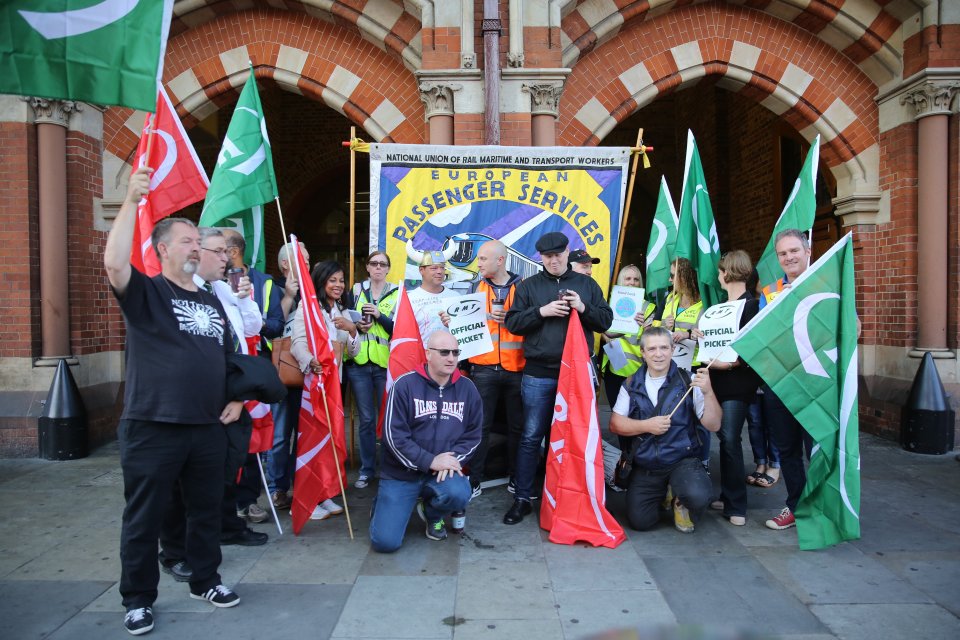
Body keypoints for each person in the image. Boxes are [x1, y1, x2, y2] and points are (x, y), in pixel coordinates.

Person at [104, 167, 242, 635]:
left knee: (206, 511)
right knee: (144, 517)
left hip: (205, 428)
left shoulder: (210, 301)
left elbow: (229, 359)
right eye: (187, 240)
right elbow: (114, 264)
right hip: (153, 426)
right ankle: (138, 598)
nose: (196, 248)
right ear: (163, 248)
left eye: (197, 242)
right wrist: (129, 202)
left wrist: (237, 400)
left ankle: (205, 579)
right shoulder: (147, 292)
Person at [158, 228, 267, 583]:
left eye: (227, 252)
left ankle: (223, 526)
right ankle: (174, 551)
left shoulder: (221, 290)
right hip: (192, 406)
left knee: (222, 474)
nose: (227, 258)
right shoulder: (175, 294)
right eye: (219, 252)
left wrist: (246, 297)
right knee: (180, 485)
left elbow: (252, 327)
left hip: (230, 398)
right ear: (196, 252)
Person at [501, 232, 613, 525]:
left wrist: (584, 308)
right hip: (539, 372)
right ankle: (523, 498)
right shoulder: (528, 286)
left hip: (576, 373)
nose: (553, 261)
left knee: (570, 437)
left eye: (558, 255)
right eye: (547, 257)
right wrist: (542, 311)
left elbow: (605, 320)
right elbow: (513, 323)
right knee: (530, 436)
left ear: (567, 253)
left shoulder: (586, 284)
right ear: (541, 257)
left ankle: (565, 495)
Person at [369, 330, 482, 552]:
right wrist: (430, 461)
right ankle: (384, 504)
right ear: (428, 354)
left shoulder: (468, 388)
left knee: (459, 493)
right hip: (401, 473)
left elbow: (473, 434)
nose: (451, 358)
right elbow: (393, 436)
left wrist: (451, 460)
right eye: (444, 352)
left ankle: (433, 513)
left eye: (455, 352)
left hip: (442, 473)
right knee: (385, 544)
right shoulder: (404, 385)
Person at [609, 327, 722, 533]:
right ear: (642, 352)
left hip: (682, 460)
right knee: (640, 522)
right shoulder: (630, 383)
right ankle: (666, 492)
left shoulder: (689, 381)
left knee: (698, 495)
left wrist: (708, 392)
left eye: (664, 347)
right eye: (652, 349)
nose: (658, 354)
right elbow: (615, 424)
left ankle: (682, 501)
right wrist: (646, 425)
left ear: (672, 349)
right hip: (647, 464)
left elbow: (713, 425)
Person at [221, 229, 282, 522]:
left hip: (252, 371)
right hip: (218, 376)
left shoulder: (264, 283)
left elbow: (273, 324)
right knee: (222, 444)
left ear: (233, 251)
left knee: (253, 439)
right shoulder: (211, 285)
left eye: (221, 250)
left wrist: (247, 305)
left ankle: (249, 499)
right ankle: (224, 505)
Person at [291, 260, 360, 520]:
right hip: (314, 385)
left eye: (341, 280)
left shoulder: (341, 312)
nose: (338, 285)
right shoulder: (307, 308)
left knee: (331, 441)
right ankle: (308, 499)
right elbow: (298, 342)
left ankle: (326, 493)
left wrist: (352, 330)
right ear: (321, 281)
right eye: (333, 280)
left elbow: (353, 351)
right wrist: (311, 361)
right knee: (313, 441)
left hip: (335, 385)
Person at [760, 229, 813, 531]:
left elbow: (850, 325)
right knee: (788, 449)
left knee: (816, 450)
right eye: (783, 254)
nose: (789, 257)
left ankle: (822, 507)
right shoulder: (770, 292)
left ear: (807, 251)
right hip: (779, 382)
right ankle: (795, 505)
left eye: (794, 251)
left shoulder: (825, 283)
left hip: (814, 383)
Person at [704, 250, 762, 527]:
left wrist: (728, 365)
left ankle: (737, 504)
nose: (718, 276)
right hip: (716, 381)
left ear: (727, 273)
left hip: (737, 383)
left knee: (729, 439)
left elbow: (751, 349)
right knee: (724, 439)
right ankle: (728, 496)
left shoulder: (753, 306)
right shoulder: (716, 308)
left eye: (720, 271)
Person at [466, 240, 525, 498]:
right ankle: (474, 480)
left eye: (482, 259)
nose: (478, 264)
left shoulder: (524, 288)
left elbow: (533, 323)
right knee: (480, 427)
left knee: (518, 427)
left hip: (517, 369)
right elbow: (465, 326)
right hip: (483, 370)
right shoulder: (473, 287)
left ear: (500, 261)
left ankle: (516, 476)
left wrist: (513, 320)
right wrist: (452, 319)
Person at [345, 251, 399, 489]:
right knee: (366, 419)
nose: (378, 268)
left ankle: (389, 468)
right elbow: (345, 319)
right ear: (367, 267)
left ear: (388, 269)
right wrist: (357, 324)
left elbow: (399, 330)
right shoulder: (355, 291)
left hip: (384, 365)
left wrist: (380, 316)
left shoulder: (397, 293)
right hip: (358, 363)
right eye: (373, 263)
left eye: (382, 264)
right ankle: (367, 470)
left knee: (387, 419)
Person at [266, 241, 309, 511]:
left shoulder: (312, 291)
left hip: (307, 373)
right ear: (285, 265)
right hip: (282, 373)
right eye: (301, 259)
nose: (306, 263)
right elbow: (271, 327)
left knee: (304, 433)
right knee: (281, 434)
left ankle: (301, 483)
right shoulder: (274, 288)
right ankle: (277, 488)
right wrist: (288, 297)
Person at [405, 242, 457, 343]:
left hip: (450, 356)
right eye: (434, 268)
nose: (439, 272)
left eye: (442, 267)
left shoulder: (455, 297)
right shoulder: (409, 299)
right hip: (421, 356)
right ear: (421, 270)